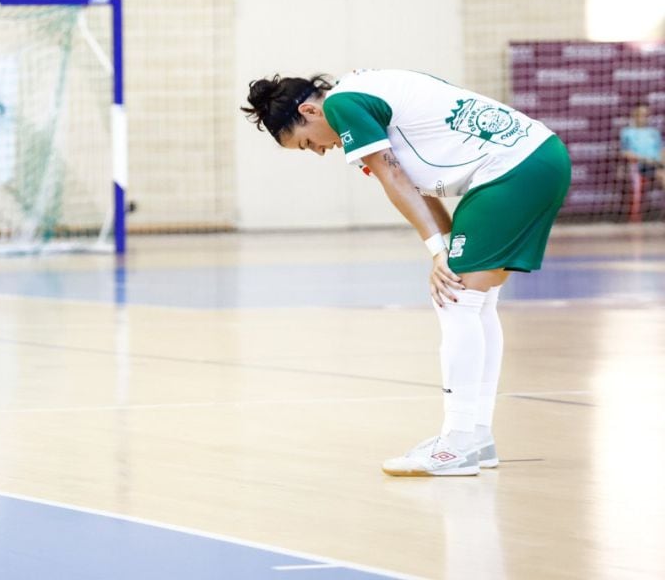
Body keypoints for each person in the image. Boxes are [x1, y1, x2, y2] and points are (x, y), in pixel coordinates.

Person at [241, 69, 571, 477]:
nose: (317, 151)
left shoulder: (345, 105)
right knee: (474, 301)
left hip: (512, 170)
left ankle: (458, 444)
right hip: (536, 160)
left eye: (308, 141)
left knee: (455, 299)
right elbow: (413, 185)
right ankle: (475, 437)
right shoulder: (362, 98)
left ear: (309, 110)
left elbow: (393, 177)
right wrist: (445, 247)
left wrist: (438, 253)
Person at [619, 104, 664, 200]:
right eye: (641, 114)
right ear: (635, 115)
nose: (644, 117)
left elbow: (662, 149)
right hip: (640, 165)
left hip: (657, 163)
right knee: (663, 176)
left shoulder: (654, 132)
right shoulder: (627, 132)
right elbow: (625, 152)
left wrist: (662, 162)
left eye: (646, 115)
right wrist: (644, 159)